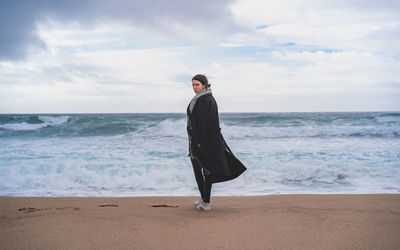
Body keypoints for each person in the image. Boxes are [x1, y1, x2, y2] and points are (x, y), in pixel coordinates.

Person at [187, 74, 247, 211]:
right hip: (197, 141)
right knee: (197, 169)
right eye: (193, 85)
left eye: (197, 85)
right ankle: (203, 198)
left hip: (204, 143)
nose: (194, 88)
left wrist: (199, 143)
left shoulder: (205, 100)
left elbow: (204, 124)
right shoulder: (201, 99)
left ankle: (206, 203)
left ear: (205, 85)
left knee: (207, 171)